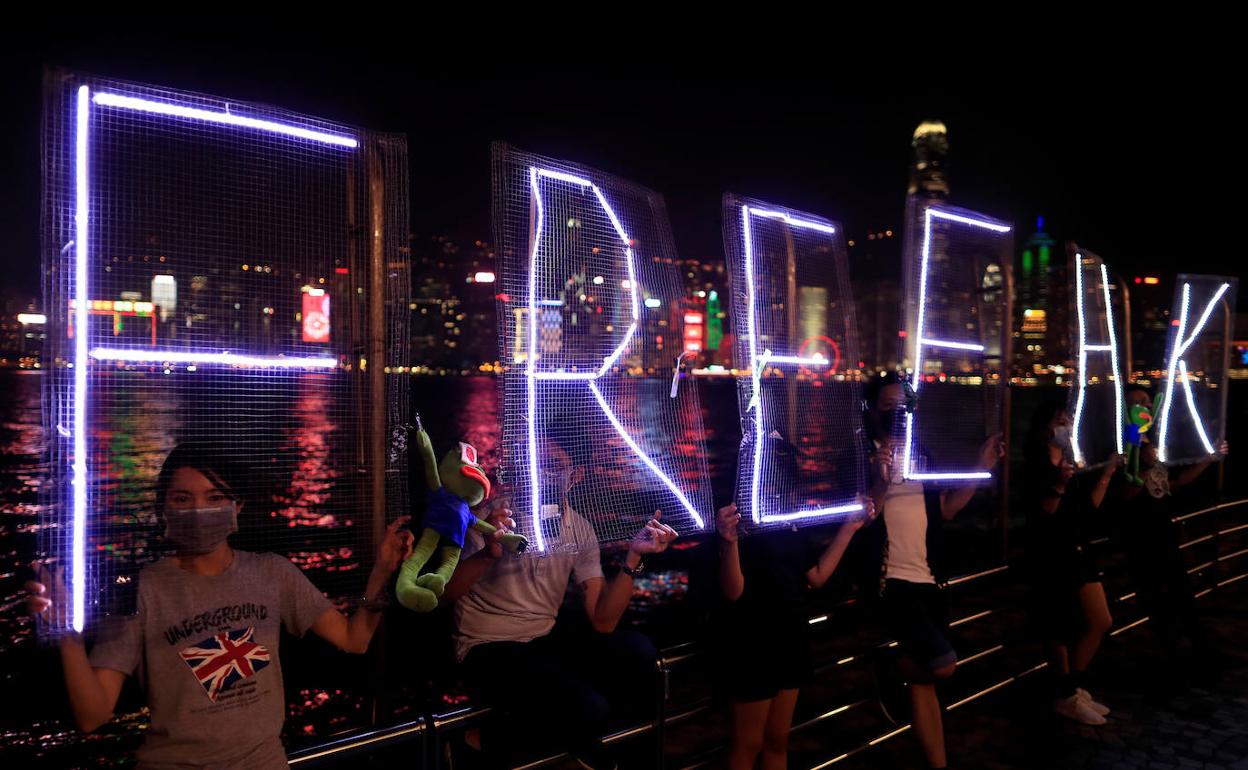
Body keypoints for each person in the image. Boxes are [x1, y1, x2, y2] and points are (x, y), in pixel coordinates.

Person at [26, 442, 414, 770]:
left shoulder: (272, 573)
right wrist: (66, 636)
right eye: (182, 498)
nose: (198, 510)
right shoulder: (141, 589)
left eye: (215, 498)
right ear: (164, 507)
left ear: (236, 506)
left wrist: (382, 571)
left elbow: (354, 639)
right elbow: (93, 715)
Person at [443, 436, 679, 770]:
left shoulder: (579, 528)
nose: (542, 474)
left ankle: (592, 746)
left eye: (553, 466)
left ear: (576, 475)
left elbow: (602, 621)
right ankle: (475, 742)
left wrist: (634, 557)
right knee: (588, 708)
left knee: (639, 653)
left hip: (542, 640)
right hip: (486, 644)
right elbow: (444, 594)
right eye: (535, 464)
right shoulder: (488, 518)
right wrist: (487, 554)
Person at [1022, 400, 1119, 725]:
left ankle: (1069, 688)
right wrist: (1060, 483)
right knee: (1060, 627)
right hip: (1050, 552)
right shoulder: (1036, 462)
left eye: (1067, 420)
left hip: (1077, 546)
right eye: (1058, 419)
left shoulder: (1071, 460)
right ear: (1045, 425)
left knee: (1099, 620)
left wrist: (1105, 474)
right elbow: (1044, 512)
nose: (1063, 425)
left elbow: (1087, 507)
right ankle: (1066, 694)